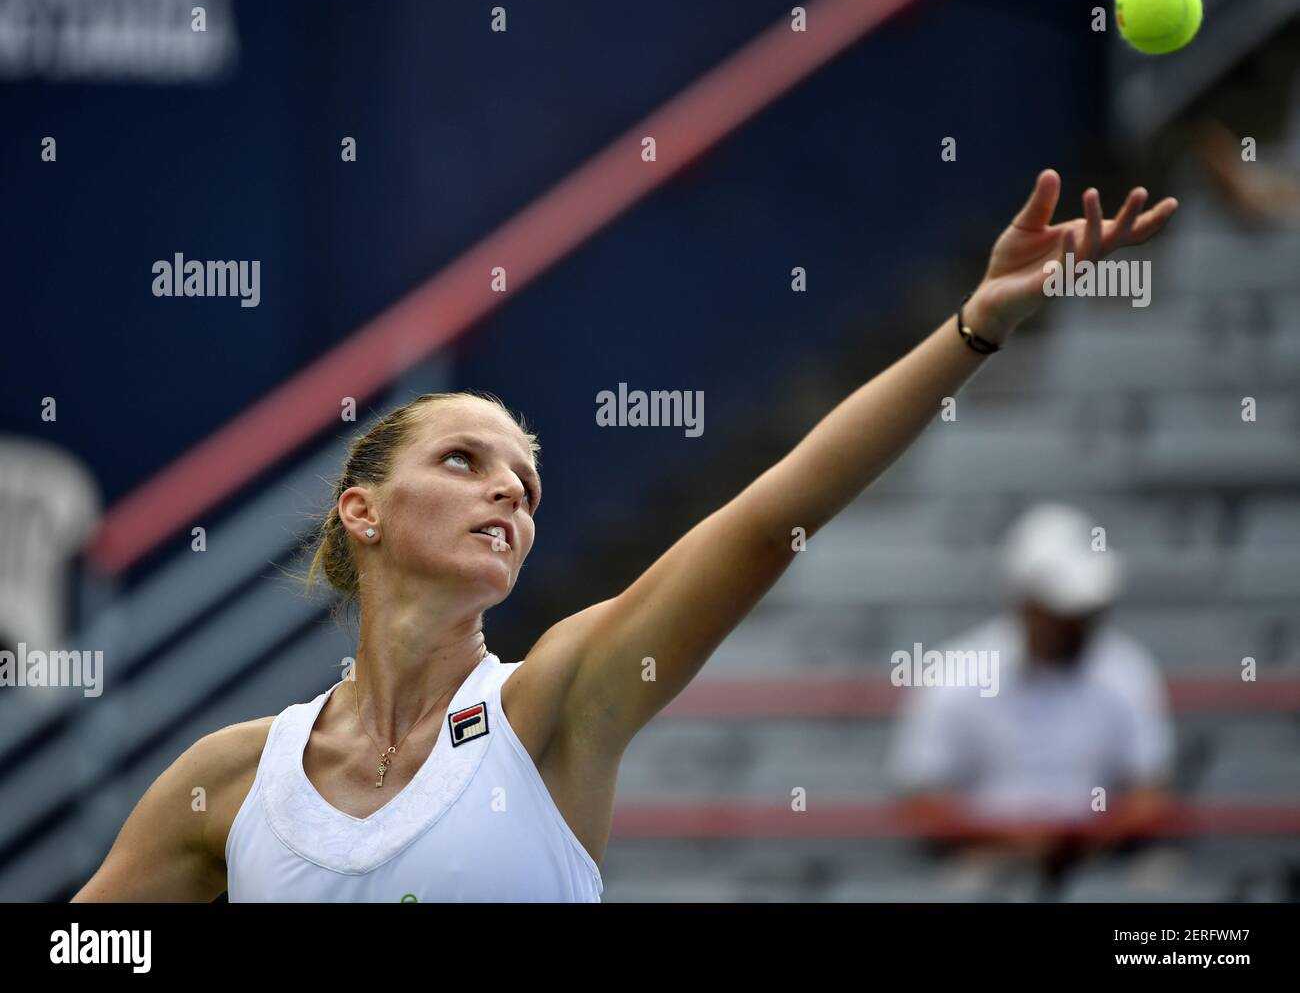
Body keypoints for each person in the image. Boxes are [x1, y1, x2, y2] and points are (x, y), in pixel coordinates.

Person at [72, 171, 1178, 901]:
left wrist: (973, 326)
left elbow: (766, 520)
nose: (508, 490)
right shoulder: (228, 780)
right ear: (360, 511)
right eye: (464, 461)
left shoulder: (554, 702)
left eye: (527, 482)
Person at [889, 502, 1174, 885]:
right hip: (982, 861)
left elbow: (1148, 794)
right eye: (1064, 612)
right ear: (1026, 603)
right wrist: (1010, 838)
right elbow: (922, 800)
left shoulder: (1129, 670)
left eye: (1086, 611)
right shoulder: (955, 673)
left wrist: (1084, 840)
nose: (1078, 625)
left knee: (1156, 882)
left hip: (1101, 863)